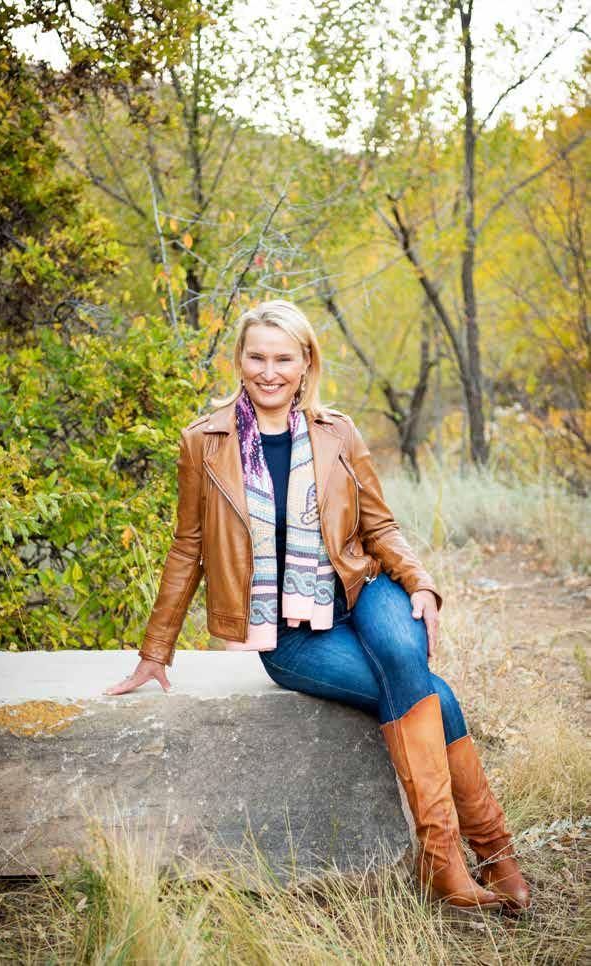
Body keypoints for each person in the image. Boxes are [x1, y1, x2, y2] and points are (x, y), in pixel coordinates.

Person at [105, 299, 530, 915]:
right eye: (257, 357)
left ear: (306, 362)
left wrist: (418, 583)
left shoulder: (338, 432)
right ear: (239, 360)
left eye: (284, 358)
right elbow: (187, 548)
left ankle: (460, 860)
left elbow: (378, 526)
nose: (269, 371)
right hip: (289, 635)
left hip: (363, 591)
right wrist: (155, 652)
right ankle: (475, 855)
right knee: (431, 693)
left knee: (403, 657)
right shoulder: (205, 442)